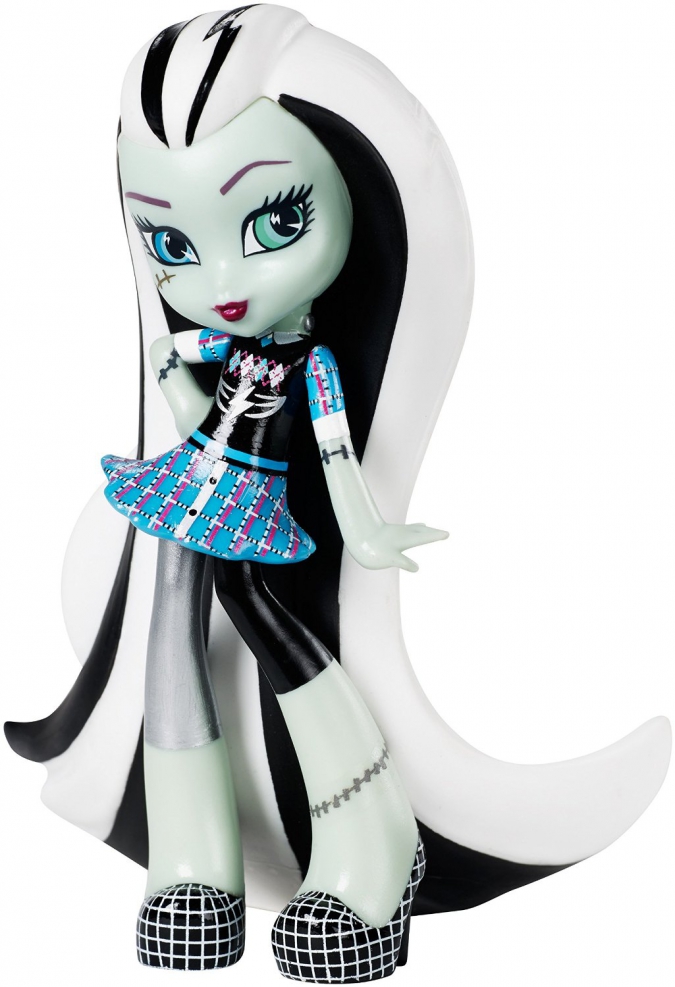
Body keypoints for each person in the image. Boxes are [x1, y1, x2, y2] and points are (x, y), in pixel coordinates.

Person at [6, 6, 670, 982]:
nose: (222, 281)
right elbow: (177, 368)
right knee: (170, 631)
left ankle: (371, 837)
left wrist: (364, 528)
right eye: (172, 244)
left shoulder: (313, 367)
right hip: (189, 487)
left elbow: (335, 450)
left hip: (249, 501)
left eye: (275, 221)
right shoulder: (216, 341)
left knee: (259, 614)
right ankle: (193, 862)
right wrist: (180, 393)